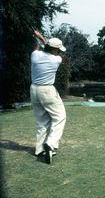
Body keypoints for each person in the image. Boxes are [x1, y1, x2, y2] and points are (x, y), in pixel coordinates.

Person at [30, 30, 67, 164]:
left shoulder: (35, 55)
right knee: (60, 116)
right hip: (47, 90)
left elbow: (39, 47)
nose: (60, 52)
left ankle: (40, 150)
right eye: (59, 49)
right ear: (55, 50)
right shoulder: (57, 59)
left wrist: (39, 38)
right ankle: (50, 144)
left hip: (34, 89)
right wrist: (41, 37)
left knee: (41, 121)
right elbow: (47, 46)